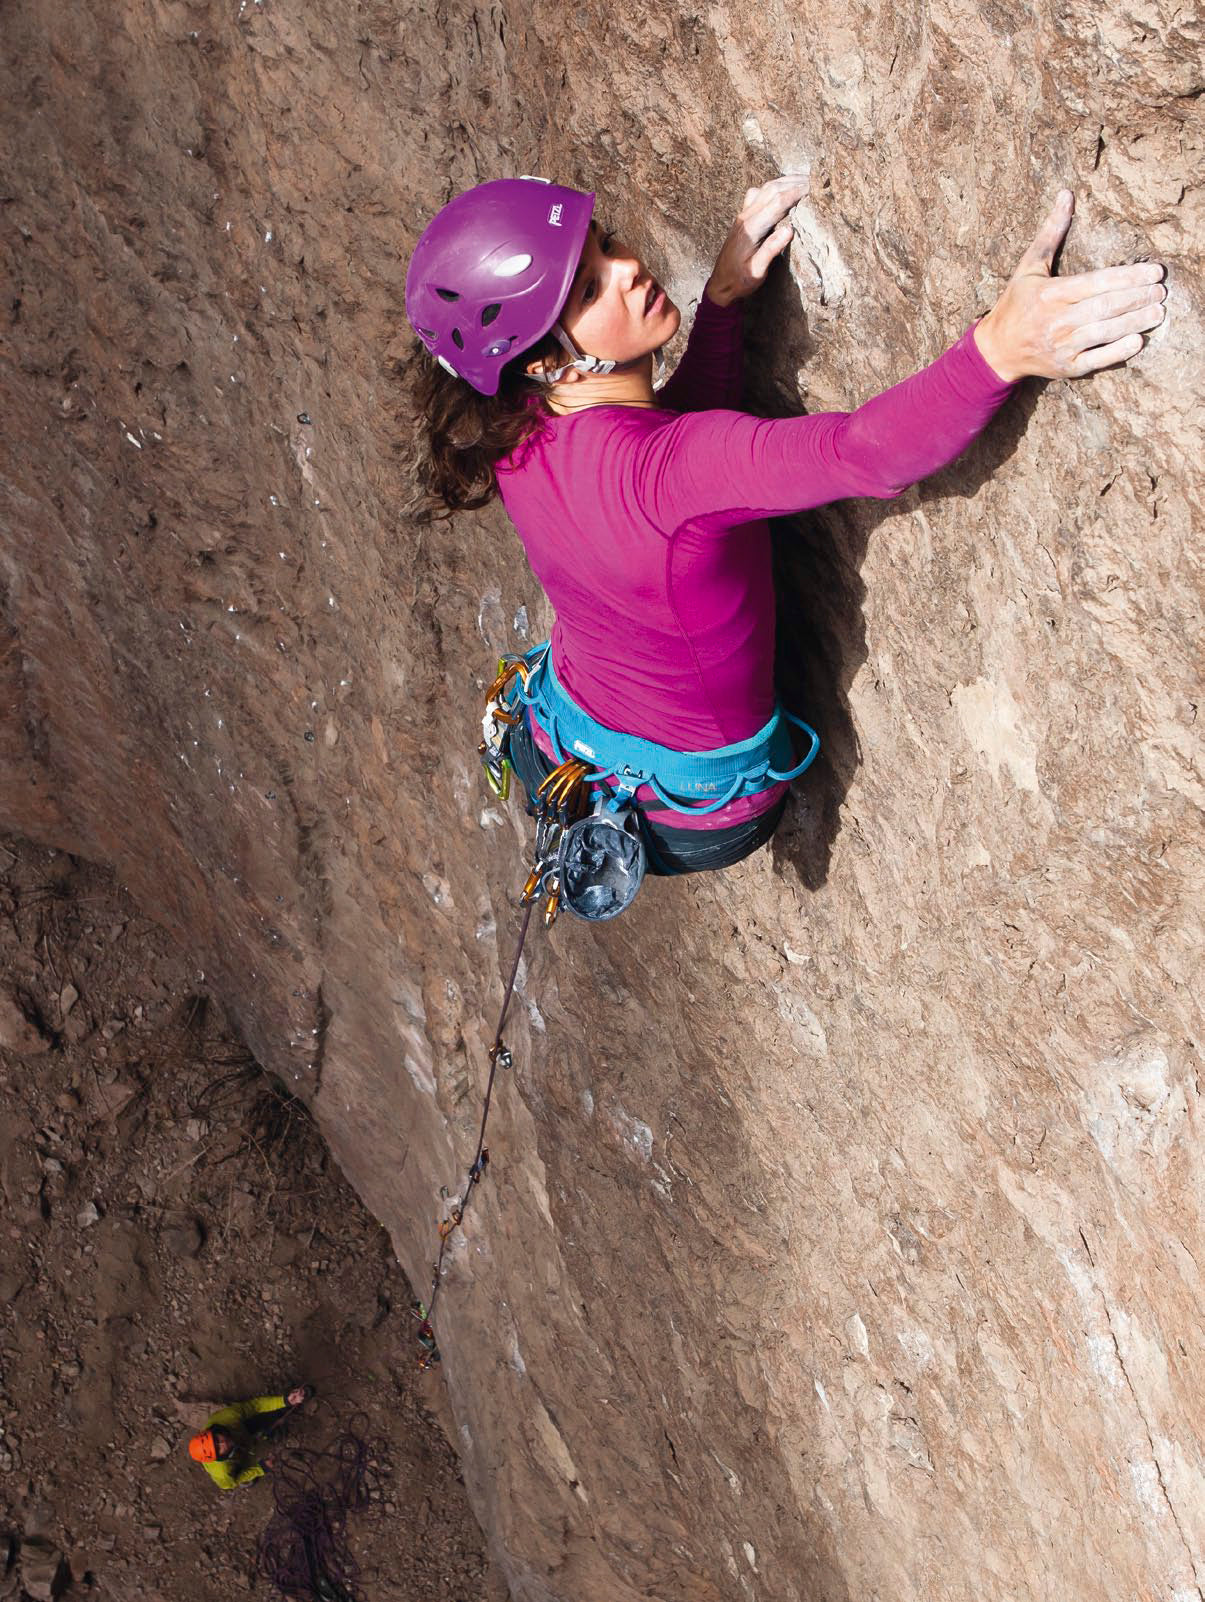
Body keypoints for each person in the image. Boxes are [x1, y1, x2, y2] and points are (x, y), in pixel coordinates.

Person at [404, 177, 1166, 877]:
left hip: (565, 736)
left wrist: (725, 307)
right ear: (542, 362)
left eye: (604, 244)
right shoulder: (671, 471)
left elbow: (664, 471)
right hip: (695, 815)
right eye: (589, 289)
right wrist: (1001, 347)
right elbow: (863, 454)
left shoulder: (513, 432)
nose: (628, 268)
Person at [187, 1384, 312, 1490]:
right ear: (218, 1457)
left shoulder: (226, 1418)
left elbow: (254, 1406)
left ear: (213, 1432)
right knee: (247, 1463)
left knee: (263, 1421)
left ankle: (293, 1403)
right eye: (218, 1448)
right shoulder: (223, 1472)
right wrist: (261, 1469)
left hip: (238, 1431)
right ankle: (250, 1477)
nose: (223, 1443)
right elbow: (232, 1482)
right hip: (234, 1462)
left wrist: (286, 1400)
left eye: (216, 1440)